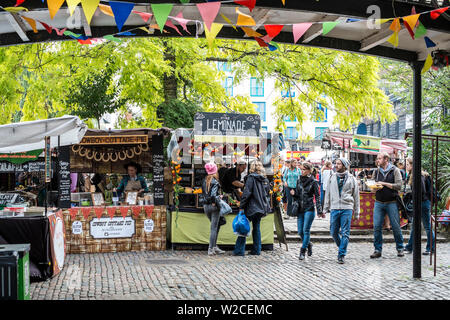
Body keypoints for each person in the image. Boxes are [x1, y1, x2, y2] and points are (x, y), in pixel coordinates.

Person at [321, 158, 360, 264]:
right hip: (334, 207)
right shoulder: (332, 177)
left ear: (344, 165)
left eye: (339, 164)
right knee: (333, 232)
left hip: (347, 207)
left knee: (345, 232)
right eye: (336, 163)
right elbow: (328, 193)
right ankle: (342, 246)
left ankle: (341, 254)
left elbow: (356, 196)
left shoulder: (352, 179)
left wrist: (357, 212)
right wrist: (325, 208)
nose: (336, 165)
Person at [370, 152, 405, 259]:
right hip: (379, 202)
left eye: (379, 158)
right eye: (377, 158)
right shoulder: (376, 171)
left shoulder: (395, 170)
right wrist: (374, 188)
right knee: (376, 226)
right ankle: (377, 250)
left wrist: (384, 184)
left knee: (395, 226)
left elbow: (399, 186)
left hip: (392, 202)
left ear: (386, 159)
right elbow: (372, 186)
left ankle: (400, 248)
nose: (377, 160)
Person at [233, 160, 271, 256]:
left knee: (243, 227)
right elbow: (267, 194)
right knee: (256, 228)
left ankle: (239, 250)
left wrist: (241, 206)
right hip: (261, 207)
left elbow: (246, 193)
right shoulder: (265, 180)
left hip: (251, 207)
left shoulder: (251, 178)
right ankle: (257, 250)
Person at [404, 158, 435, 255]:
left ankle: (430, 248)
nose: (406, 166)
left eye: (408, 164)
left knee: (427, 226)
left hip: (422, 203)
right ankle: (410, 246)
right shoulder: (417, 174)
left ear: (412, 165)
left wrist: (413, 196)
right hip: (422, 202)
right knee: (415, 226)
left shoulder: (418, 175)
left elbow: (421, 190)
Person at [292, 162, 322, 260]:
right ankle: (309, 244)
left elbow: (317, 197)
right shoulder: (298, 180)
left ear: (309, 170)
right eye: (301, 169)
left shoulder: (314, 182)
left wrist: (319, 210)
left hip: (309, 208)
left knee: (306, 230)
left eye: (304, 169)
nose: (302, 171)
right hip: (300, 209)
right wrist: (293, 193)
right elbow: (297, 195)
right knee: (300, 231)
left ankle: (302, 251)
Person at [202, 163, 226, 256]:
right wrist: (216, 199)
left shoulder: (205, 180)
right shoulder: (215, 182)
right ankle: (211, 248)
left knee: (217, 225)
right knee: (214, 228)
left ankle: (214, 246)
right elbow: (213, 195)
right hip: (213, 206)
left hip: (205, 207)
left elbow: (205, 194)